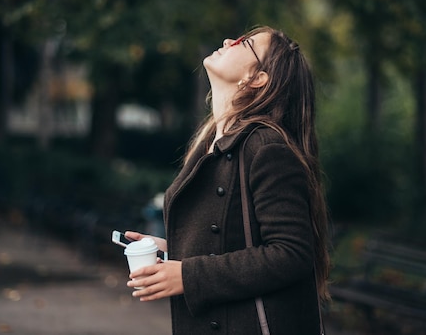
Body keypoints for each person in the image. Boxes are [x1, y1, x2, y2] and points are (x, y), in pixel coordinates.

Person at [124, 26, 330, 335]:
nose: (227, 41)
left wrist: (189, 276)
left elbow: (292, 252)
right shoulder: (212, 141)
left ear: (257, 78)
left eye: (243, 43)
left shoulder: (265, 146)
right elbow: (230, 237)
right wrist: (172, 251)